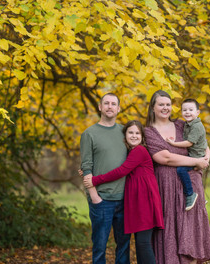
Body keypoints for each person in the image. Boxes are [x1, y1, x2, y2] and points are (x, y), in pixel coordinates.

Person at [144, 90, 210, 264]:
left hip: (189, 187)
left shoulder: (181, 125)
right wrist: (195, 161)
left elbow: (201, 141)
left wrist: (206, 156)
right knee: (169, 230)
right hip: (165, 188)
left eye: (168, 104)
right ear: (153, 107)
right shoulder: (148, 131)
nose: (165, 108)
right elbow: (164, 158)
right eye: (161, 104)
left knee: (189, 232)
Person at [83, 120, 164, 264]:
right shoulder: (130, 152)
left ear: (142, 137)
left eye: (137, 133)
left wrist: (95, 180)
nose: (134, 136)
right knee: (140, 243)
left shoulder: (139, 150)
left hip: (145, 201)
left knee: (143, 243)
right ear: (125, 135)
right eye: (130, 132)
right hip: (137, 202)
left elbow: (121, 171)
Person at [80, 93, 131, 264]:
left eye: (113, 104)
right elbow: (86, 166)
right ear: (100, 107)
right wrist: (94, 196)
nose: (110, 106)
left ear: (118, 108)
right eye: (106, 103)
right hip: (101, 200)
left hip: (125, 199)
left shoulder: (125, 132)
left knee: (124, 247)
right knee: (99, 247)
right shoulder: (89, 134)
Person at [166, 98, 209, 211]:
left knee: (181, 170)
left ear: (197, 112)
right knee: (191, 174)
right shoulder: (187, 124)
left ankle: (190, 194)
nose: (187, 112)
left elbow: (189, 143)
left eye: (191, 110)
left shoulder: (196, 126)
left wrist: (173, 144)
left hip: (196, 156)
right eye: (184, 110)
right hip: (195, 155)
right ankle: (201, 198)